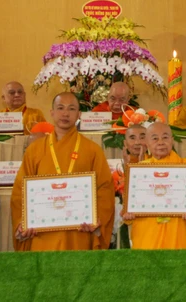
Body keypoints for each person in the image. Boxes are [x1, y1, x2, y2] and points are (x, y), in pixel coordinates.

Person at [10, 92, 115, 251]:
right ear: (52, 113)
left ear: (79, 114)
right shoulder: (35, 150)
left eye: (71, 109)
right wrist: (23, 222)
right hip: (42, 233)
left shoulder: (92, 150)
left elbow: (105, 188)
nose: (65, 113)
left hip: (79, 232)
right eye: (60, 108)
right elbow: (20, 190)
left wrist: (97, 218)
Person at [122, 122, 186, 249]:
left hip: (177, 231)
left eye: (165, 137)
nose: (160, 142)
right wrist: (128, 214)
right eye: (155, 138)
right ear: (147, 143)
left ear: (172, 140)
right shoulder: (139, 171)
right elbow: (129, 204)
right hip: (147, 234)